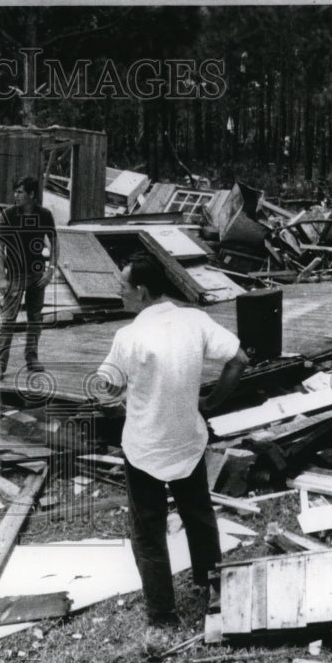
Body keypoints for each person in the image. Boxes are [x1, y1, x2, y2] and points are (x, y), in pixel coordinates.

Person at [93, 256, 248, 641]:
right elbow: (239, 359)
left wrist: (113, 390)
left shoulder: (129, 337)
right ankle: (213, 587)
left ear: (141, 292)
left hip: (146, 447)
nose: (118, 290)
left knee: (148, 530)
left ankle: (162, 615)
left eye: (123, 285)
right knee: (198, 516)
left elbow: (107, 385)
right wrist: (211, 402)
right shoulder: (194, 320)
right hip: (187, 440)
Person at [0, 175, 57, 381]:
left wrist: (51, 270)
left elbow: (54, 243)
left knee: (35, 319)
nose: (15, 196)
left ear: (31, 194)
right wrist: (2, 278)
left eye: (20, 192)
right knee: (8, 320)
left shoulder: (45, 215)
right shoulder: (8, 215)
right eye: (15, 191)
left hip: (37, 273)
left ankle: (32, 358)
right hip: (15, 274)